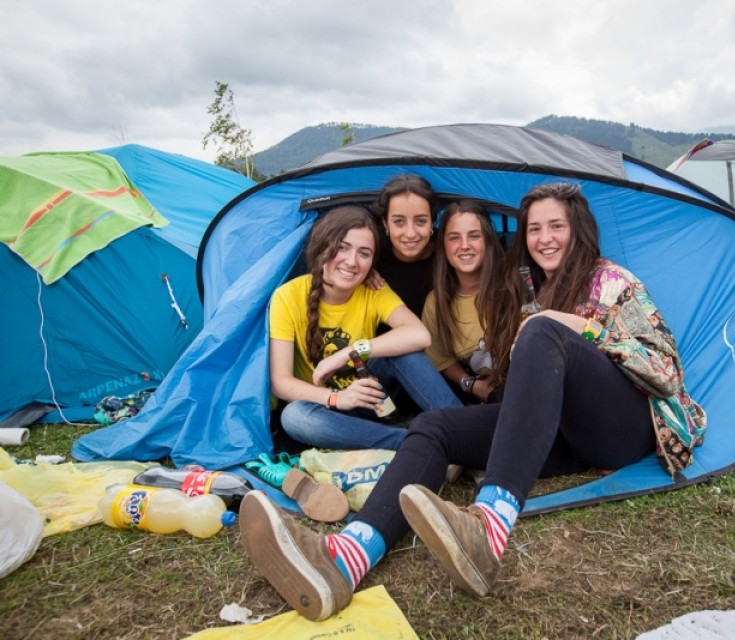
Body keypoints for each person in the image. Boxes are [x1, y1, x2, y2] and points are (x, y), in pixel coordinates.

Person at [240, 183, 707, 621]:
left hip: (624, 430)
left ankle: (489, 525)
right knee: (436, 426)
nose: (545, 239)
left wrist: (580, 327)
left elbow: (666, 373)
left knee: (544, 328)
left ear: (577, 230)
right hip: (560, 434)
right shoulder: (528, 290)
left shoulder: (610, 281)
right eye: (534, 229)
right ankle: (346, 558)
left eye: (556, 227)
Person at [268, 205, 460, 452]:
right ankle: (414, 444)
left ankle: (462, 428)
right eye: (342, 247)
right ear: (321, 246)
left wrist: (347, 353)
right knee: (293, 416)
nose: (352, 261)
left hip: (373, 400)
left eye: (364, 253)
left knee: (404, 349)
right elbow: (280, 383)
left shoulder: (373, 290)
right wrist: (337, 398)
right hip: (327, 411)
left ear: (372, 262)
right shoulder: (288, 296)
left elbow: (419, 335)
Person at [421, 200, 504, 403]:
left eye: (474, 236)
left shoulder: (512, 286)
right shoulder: (436, 303)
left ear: (488, 240)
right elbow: (440, 359)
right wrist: (470, 384)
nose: (464, 246)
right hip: (477, 402)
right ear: (444, 245)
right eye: (454, 238)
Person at [372, 174, 440, 317]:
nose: (410, 233)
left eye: (420, 221)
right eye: (399, 221)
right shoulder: (370, 255)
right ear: (385, 223)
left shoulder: (449, 256)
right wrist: (361, 273)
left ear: (432, 223)